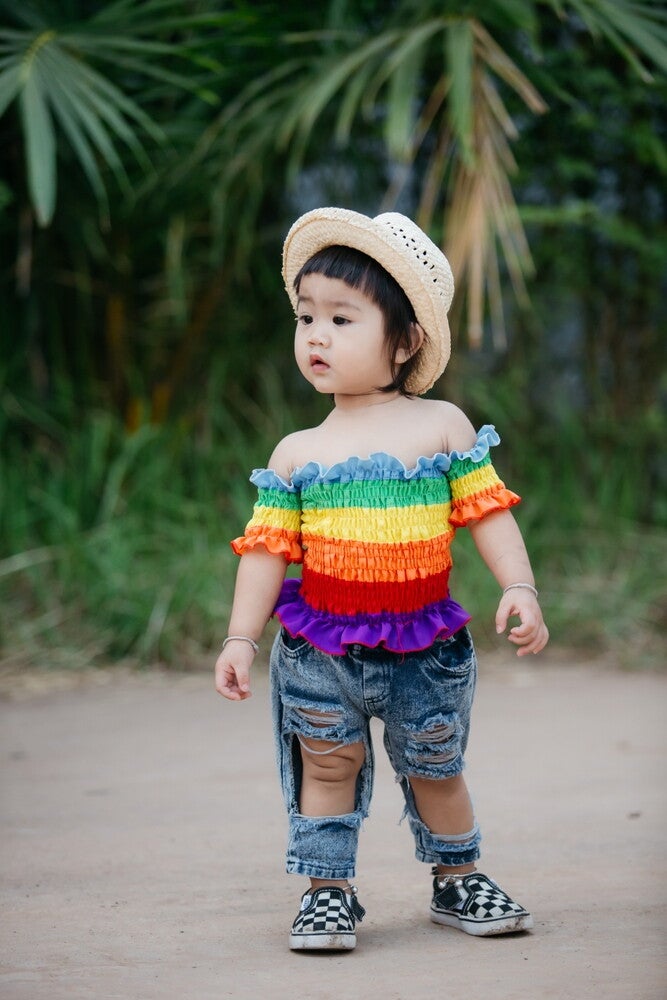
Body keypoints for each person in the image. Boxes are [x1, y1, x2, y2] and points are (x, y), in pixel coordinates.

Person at [215, 207, 549, 952]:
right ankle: (326, 890)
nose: (316, 336)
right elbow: (267, 552)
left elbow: (488, 515)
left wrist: (518, 587)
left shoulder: (441, 427)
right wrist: (241, 636)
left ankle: (455, 877)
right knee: (326, 766)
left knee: (435, 764)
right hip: (320, 652)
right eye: (305, 318)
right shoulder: (297, 451)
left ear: (404, 342)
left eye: (341, 318)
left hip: (421, 649)